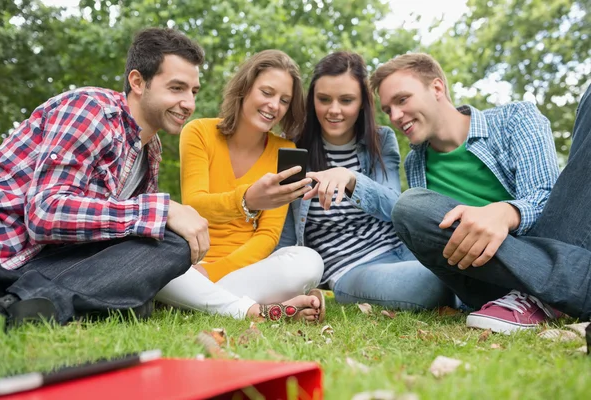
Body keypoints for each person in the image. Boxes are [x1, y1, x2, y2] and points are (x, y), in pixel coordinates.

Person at [0, 28, 210, 328]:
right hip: (4, 255)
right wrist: (162, 209)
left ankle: (28, 305)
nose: (189, 103)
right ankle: (22, 307)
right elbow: (44, 214)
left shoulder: (151, 151)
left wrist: (174, 268)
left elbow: (129, 238)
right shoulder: (92, 109)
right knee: (163, 235)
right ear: (137, 81)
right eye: (176, 88)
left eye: (193, 91)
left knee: (173, 244)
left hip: (39, 269)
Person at [370, 52, 570, 334]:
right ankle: (511, 302)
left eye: (402, 100)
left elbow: (551, 202)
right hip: (486, 283)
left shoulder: (514, 120)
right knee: (409, 208)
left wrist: (505, 213)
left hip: (545, 256)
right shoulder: (415, 161)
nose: (395, 116)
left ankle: (544, 296)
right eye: (388, 110)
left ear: (437, 88)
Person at [156, 50, 326, 322]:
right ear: (245, 88)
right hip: (189, 263)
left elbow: (268, 236)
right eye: (267, 93)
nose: (274, 106)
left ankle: (198, 300)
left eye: (284, 100)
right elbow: (196, 206)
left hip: (243, 271)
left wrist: (212, 275)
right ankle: (261, 308)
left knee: (308, 261)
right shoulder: (199, 132)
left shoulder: (285, 150)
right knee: (152, 261)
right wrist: (247, 200)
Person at [275, 51, 454, 310]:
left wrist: (351, 179)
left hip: (402, 250)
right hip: (351, 268)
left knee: (457, 265)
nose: (333, 110)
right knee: (432, 282)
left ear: (362, 103)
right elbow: (283, 228)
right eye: (324, 99)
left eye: (346, 100)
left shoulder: (381, 140)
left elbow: (394, 207)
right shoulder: (293, 146)